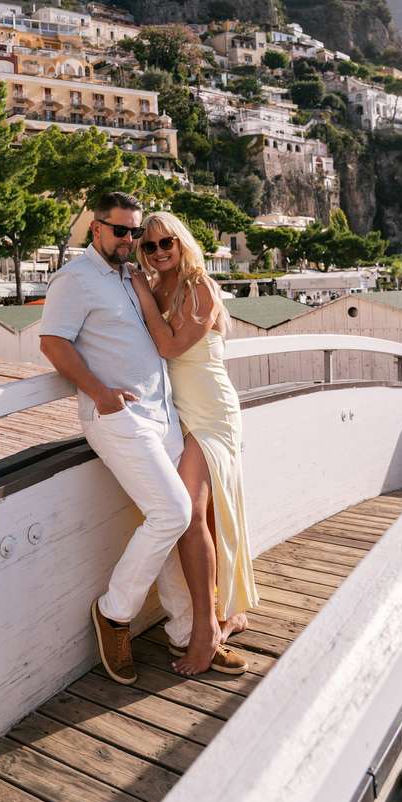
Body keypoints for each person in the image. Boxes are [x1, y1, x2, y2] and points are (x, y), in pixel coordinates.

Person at [39, 191, 243, 686]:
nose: (132, 240)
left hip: (165, 413)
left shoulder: (132, 277)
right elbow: (52, 342)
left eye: (137, 233)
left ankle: (187, 631)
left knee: (181, 520)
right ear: (96, 228)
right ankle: (114, 613)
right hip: (119, 415)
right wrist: (99, 392)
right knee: (173, 512)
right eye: (123, 231)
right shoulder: (75, 279)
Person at [130, 211, 259, 675]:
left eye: (166, 242)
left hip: (212, 414)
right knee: (208, 515)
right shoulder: (156, 286)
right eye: (149, 246)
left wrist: (141, 293)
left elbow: (170, 346)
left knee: (189, 514)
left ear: (181, 242)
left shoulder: (199, 285)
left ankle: (204, 631)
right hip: (180, 415)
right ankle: (228, 610)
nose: (159, 252)